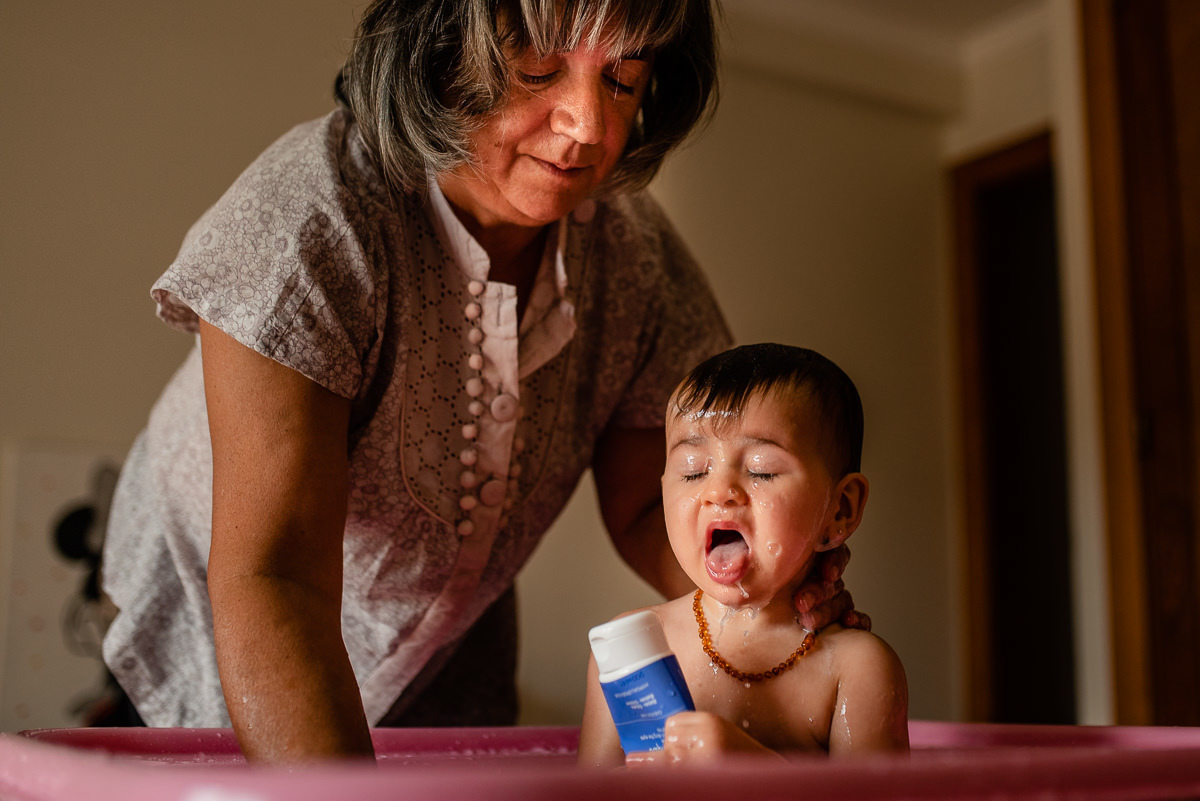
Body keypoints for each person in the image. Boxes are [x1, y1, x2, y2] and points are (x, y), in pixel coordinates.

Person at [100, 0, 863, 764]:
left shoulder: (635, 254)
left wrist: (770, 591)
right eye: (538, 70)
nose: (588, 126)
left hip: (454, 647)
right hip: (224, 640)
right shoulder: (306, 222)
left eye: (623, 81)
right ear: (437, 55)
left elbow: (647, 504)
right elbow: (277, 577)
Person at [578, 344, 909, 767]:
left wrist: (756, 774)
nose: (718, 492)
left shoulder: (857, 670)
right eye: (693, 470)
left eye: (761, 470)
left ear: (839, 509)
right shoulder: (632, 647)